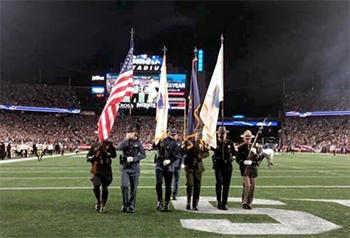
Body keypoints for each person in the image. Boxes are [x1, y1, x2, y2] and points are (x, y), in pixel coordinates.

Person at [117, 126, 146, 213]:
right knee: (124, 186)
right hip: (125, 167)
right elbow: (119, 147)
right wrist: (125, 139)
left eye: (131, 132)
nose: (130, 134)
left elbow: (143, 154)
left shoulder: (138, 143)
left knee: (134, 188)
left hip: (134, 168)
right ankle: (125, 204)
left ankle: (131, 205)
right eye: (128, 132)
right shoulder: (125, 142)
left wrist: (134, 159)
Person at [153, 128, 181, 212]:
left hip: (169, 166)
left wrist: (170, 160)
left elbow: (177, 155)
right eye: (171, 134)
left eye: (174, 134)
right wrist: (156, 139)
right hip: (160, 164)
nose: (172, 136)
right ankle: (160, 200)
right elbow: (153, 146)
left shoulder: (175, 144)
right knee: (158, 183)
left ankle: (167, 202)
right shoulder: (162, 140)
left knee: (168, 186)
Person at [86, 140, 116, 213]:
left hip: (106, 169)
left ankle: (103, 204)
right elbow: (88, 156)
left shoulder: (109, 144)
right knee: (96, 185)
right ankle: (98, 200)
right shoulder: (95, 145)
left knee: (105, 187)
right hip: (97, 169)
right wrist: (93, 158)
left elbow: (114, 155)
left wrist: (108, 153)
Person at [182, 132, 209, 210]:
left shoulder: (202, 143)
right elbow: (183, 151)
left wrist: (201, 156)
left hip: (198, 167)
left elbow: (206, 153)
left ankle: (195, 204)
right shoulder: (188, 141)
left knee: (197, 186)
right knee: (190, 185)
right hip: (189, 166)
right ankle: (188, 202)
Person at [236, 130, 261, 210]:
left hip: (253, 168)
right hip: (244, 169)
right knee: (247, 185)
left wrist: (256, 155)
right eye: (246, 138)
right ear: (243, 139)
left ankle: (249, 203)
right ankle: (244, 201)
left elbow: (258, 159)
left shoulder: (255, 147)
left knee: (252, 186)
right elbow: (237, 159)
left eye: (249, 138)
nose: (248, 140)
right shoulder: (240, 148)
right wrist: (243, 162)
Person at [212, 126, 236, 210]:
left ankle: (224, 202)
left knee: (226, 185)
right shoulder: (215, 143)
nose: (222, 135)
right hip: (218, 165)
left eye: (224, 133)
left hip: (227, 166)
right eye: (221, 134)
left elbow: (234, 154)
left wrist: (230, 159)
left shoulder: (230, 143)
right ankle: (218, 201)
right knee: (219, 183)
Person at [172, 132, 183, 200]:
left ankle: (174, 193)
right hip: (170, 163)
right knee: (170, 180)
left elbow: (182, 154)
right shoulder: (169, 142)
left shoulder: (180, 143)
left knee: (177, 179)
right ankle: (170, 193)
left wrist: (182, 162)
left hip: (177, 163)